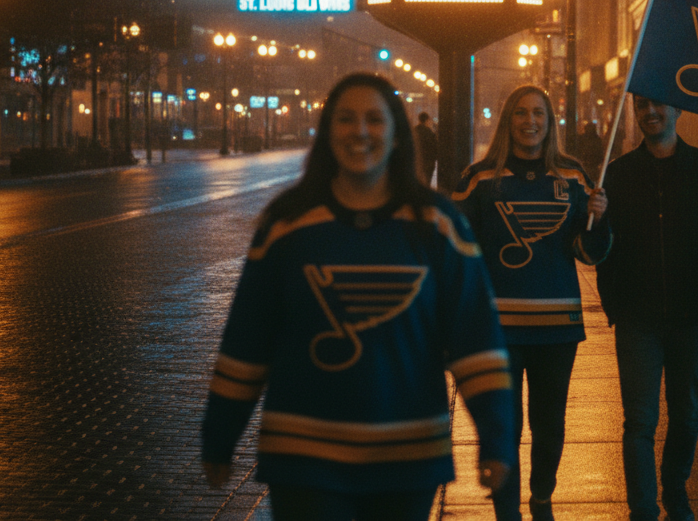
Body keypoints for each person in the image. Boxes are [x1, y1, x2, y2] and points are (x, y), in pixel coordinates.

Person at [201, 73, 515, 521]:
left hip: (406, 460)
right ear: (328, 131)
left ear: (396, 134)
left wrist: (497, 437)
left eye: (374, 119)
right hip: (304, 460)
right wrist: (219, 437)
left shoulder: (437, 226)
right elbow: (247, 341)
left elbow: (476, 341)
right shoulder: (287, 226)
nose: (360, 131)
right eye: (346, 119)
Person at [453, 84, 611, 521]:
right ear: (508, 121)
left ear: (550, 121)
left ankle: (542, 496)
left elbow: (590, 253)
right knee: (504, 427)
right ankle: (507, 510)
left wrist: (600, 217)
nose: (530, 122)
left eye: (538, 113)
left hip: (557, 325)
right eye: (521, 114)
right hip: (497, 326)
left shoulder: (574, 176)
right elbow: (457, 252)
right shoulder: (479, 178)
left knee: (549, 425)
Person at [598, 95, 698, 521]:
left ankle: (675, 487)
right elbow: (598, 248)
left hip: (690, 316)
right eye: (641, 106)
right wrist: (614, 302)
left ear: (678, 110)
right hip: (637, 319)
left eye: (659, 105)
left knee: (686, 413)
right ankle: (642, 508)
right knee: (639, 420)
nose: (650, 113)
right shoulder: (618, 174)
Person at [414, 112, 438, 186]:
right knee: (426, 183)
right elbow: (434, 147)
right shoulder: (429, 133)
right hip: (428, 161)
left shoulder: (414, 131)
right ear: (427, 120)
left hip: (416, 161)